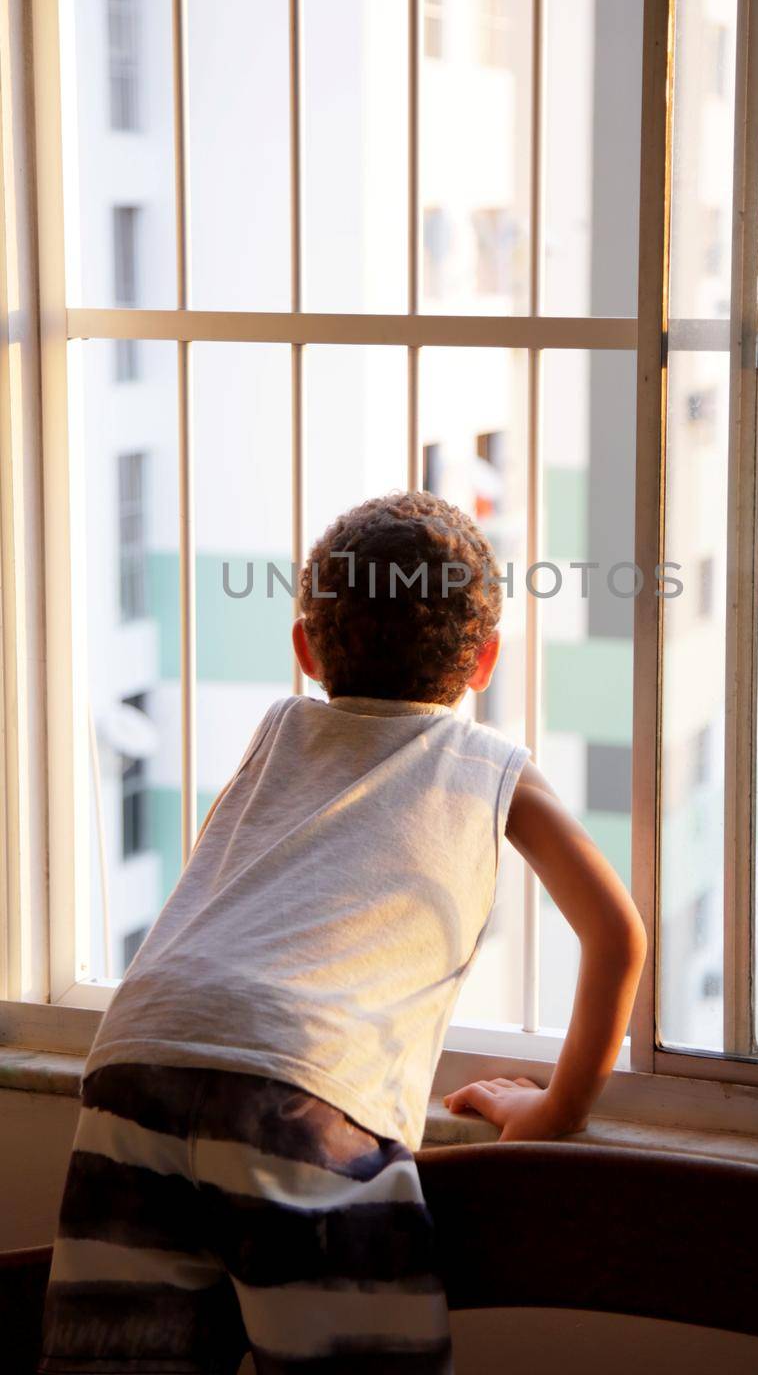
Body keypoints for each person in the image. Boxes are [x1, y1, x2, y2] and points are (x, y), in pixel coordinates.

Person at [39, 490, 646, 1375]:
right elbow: (617, 937)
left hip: (137, 1058)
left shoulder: (277, 730)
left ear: (304, 648)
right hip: (305, 1095)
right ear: (485, 661)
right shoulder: (487, 765)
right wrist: (556, 1109)